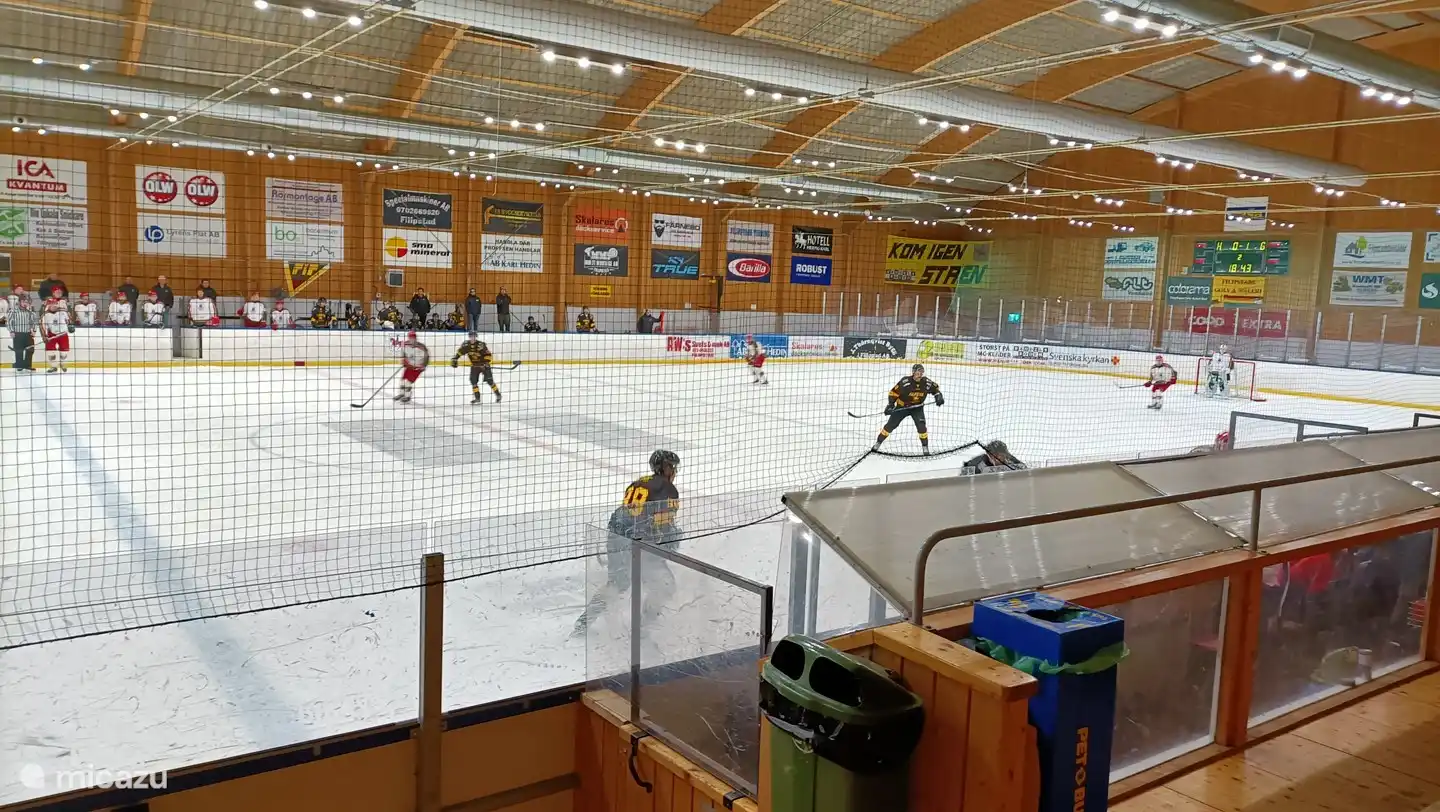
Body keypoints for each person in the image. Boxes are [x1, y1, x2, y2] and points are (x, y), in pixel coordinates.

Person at [572, 450, 681, 636]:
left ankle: (582, 623)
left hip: (616, 535)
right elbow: (662, 529)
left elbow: (633, 516)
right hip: (638, 542)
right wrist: (674, 537)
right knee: (666, 585)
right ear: (665, 468)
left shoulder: (639, 482)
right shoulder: (668, 490)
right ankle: (642, 630)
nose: (675, 471)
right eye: (673, 467)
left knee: (617, 583)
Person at [873, 363, 943, 455]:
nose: (920, 374)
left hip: (917, 408)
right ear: (913, 372)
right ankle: (878, 442)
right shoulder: (905, 382)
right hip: (902, 407)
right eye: (918, 372)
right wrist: (890, 405)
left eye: (922, 372)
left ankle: (925, 447)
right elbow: (893, 393)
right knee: (890, 425)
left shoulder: (926, 382)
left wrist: (938, 396)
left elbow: (935, 389)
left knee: (921, 427)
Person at [451, 331, 502, 404]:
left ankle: (498, 395)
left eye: (474, 336)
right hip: (474, 366)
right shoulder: (466, 345)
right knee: (473, 381)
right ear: (469, 337)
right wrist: (455, 358)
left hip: (484, 365)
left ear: (476, 337)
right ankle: (477, 398)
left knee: (490, 381)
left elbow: (488, 354)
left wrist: (486, 363)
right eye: (471, 336)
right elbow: (460, 352)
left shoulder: (480, 345)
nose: (472, 338)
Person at [395, 331, 429, 404]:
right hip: (409, 366)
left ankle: (408, 396)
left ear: (416, 338)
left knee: (408, 382)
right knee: (402, 381)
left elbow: (427, 357)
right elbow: (403, 354)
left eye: (413, 338)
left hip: (417, 368)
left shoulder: (422, 347)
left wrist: (424, 365)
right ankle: (401, 394)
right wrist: (403, 360)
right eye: (410, 338)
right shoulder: (405, 344)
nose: (412, 339)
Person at [40, 299, 72, 373]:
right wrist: (44, 336)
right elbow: (43, 326)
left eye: (55, 304)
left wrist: (71, 325)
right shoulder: (45, 315)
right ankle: (53, 366)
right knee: (50, 351)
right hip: (51, 334)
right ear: (48, 305)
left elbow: (69, 320)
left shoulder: (63, 312)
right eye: (52, 304)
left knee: (64, 352)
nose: (54, 306)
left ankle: (63, 364)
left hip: (63, 334)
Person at [7, 295, 37, 372]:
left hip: (28, 334)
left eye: (27, 302)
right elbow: (9, 322)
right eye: (23, 301)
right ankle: (19, 365)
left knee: (30, 350)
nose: (25, 303)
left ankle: (28, 365)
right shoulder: (13, 311)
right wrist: (11, 331)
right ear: (19, 302)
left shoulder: (30, 312)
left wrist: (34, 330)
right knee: (19, 350)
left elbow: (33, 321)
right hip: (18, 334)